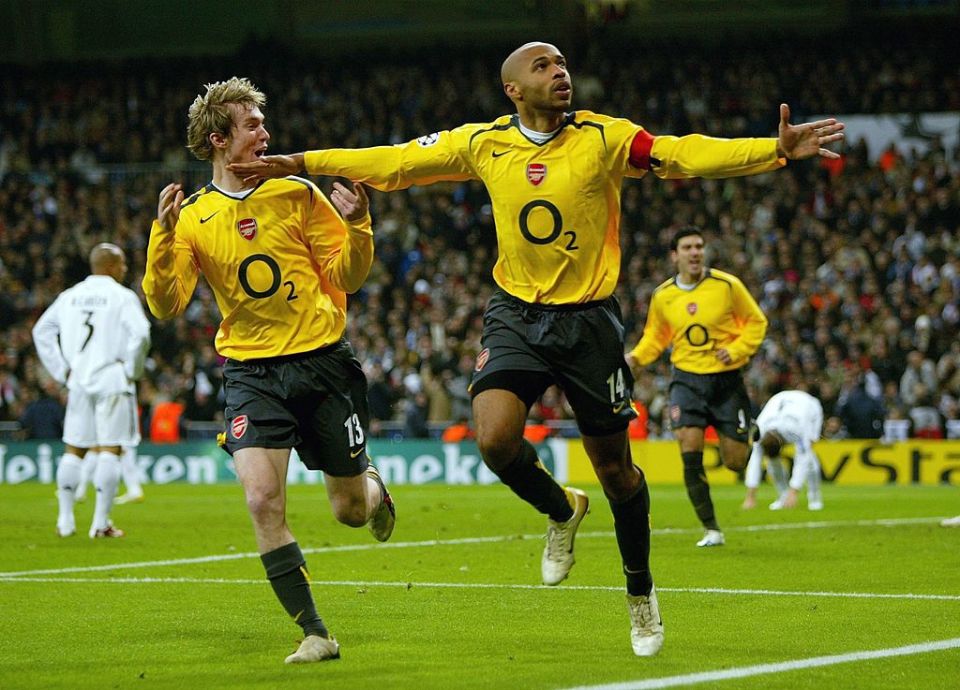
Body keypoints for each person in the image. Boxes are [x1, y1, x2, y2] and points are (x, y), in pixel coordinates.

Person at [228, 42, 843, 657]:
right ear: (514, 90)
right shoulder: (484, 143)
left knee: (616, 472)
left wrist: (773, 151)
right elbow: (393, 162)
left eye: (563, 65)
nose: (560, 74)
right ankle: (560, 510)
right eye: (543, 67)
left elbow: (682, 153)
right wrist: (297, 161)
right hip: (516, 315)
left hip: (588, 323)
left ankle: (640, 594)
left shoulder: (605, 138)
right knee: (494, 440)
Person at [142, 77, 395, 665]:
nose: (267, 134)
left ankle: (375, 491)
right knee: (261, 499)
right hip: (252, 373)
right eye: (253, 125)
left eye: (263, 122)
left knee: (349, 511)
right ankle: (315, 632)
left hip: (323, 363)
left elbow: (349, 276)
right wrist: (160, 237)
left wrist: (357, 225)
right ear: (216, 139)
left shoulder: (297, 194)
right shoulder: (193, 217)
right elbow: (165, 303)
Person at [626, 227, 768, 548]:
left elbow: (757, 322)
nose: (695, 253)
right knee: (689, 452)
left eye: (699, 247)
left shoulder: (727, 286)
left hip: (726, 380)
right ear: (674, 255)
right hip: (686, 380)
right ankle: (712, 529)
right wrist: (636, 357)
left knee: (734, 461)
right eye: (687, 247)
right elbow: (656, 337)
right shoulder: (663, 296)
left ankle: (747, 430)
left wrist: (736, 350)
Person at [32, 243, 151, 539]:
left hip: (79, 380)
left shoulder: (69, 297)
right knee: (111, 449)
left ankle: (65, 520)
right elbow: (142, 334)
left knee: (74, 449)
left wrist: (62, 369)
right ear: (110, 266)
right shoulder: (122, 297)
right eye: (122, 264)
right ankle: (100, 523)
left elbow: (41, 331)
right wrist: (131, 370)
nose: (124, 269)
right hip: (112, 378)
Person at [741, 389, 824, 512]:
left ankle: (815, 497)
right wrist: (750, 496)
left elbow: (802, 459)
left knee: (809, 456)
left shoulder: (797, 430)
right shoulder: (759, 431)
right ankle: (783, 496)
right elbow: (754, 462)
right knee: (772, 462)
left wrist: (794, 491)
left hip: (810, 407)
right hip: (778, 400)